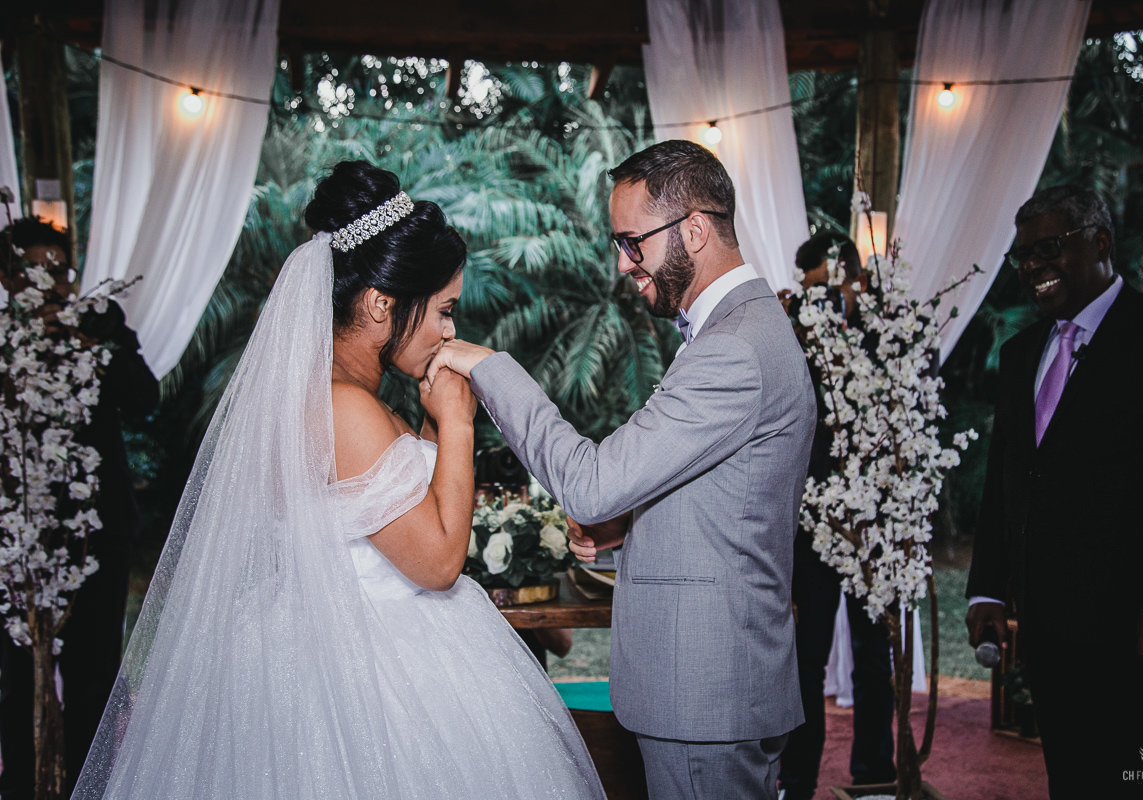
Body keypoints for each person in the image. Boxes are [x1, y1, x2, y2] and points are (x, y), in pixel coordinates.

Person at [71, 161, 605, 799]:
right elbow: (437, 563)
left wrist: (435, 423)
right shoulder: (344, 407)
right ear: (381, 303)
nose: (450, 330)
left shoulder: (338, 395)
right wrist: (460, 424)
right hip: (377, 669)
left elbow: (406, 511)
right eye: (443, 310)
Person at [429, 139, 816, 800]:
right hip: (713, 687)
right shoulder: (741, 330)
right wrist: (625, 531)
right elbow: (723, 506)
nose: (621, 263)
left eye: (632, 242)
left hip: (704, 695)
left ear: (694, 229)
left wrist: (489, 369)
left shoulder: (733, 349)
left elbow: (592, 484)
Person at [965, 184, 1143, 797]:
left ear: (1099, 243)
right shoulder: (1021, 355)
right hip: (1050, 630)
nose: (1033, 267)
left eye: (1049, 248)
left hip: (1141, 629)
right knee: (1072, 777)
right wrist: (987, 587)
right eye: (1023, 256)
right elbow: (1007, 478)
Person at [0, 217, 158, 800]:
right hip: (20, 540)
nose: (52, 284)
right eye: (35, 271)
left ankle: (89, 788)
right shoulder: (3, 342)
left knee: (94, 678)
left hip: (99, 530)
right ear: (8, 279)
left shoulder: (100, 322)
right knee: (20, 680)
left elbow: (145, 399)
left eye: (61, 271)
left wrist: (94, 348)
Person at [778, 233, 895, 799]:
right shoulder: (794, 338)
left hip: (876, 524)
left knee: (875, 656)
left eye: (826, 289)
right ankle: (796, 782)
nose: (818, 301)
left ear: (856, 279)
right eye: (809, 292)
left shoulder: (892, 335)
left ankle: (875, 776)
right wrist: (792, 332)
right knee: (806, 661)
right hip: (815, 524)